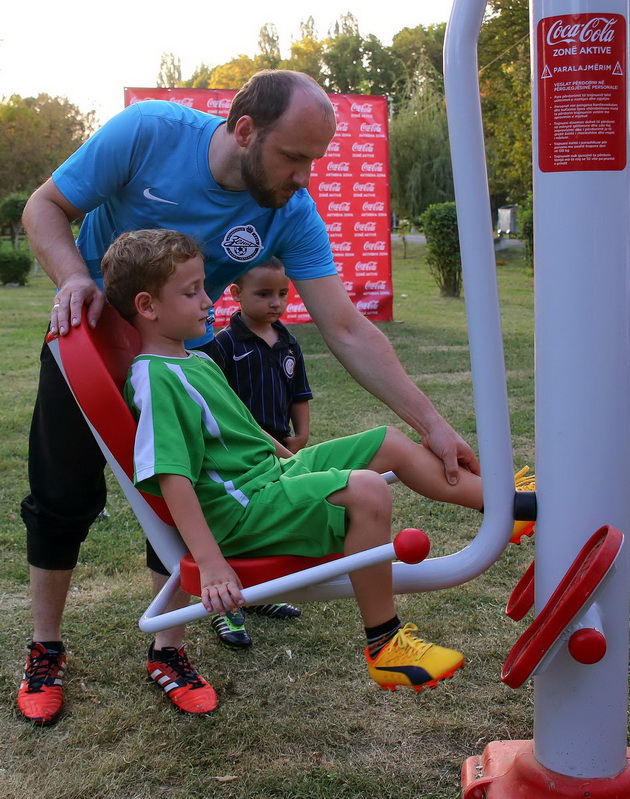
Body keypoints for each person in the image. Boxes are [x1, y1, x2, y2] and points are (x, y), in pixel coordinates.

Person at [18, 69, 480, 726]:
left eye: (314, 161)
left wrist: (430, 421)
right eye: (294, 156)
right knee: (63, 496)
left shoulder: (291, 211)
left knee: (185, 493)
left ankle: (167, 648)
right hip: (86, 338)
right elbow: (45, 205)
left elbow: (346, 328)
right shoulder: (147, 132)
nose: (305, 178)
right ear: (243, 130)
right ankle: (46, 646)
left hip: (181, 349)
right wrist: (72, 278)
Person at [101, 229, 488, 704]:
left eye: (205, 286)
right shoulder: (156, 381)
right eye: (191, 291)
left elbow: (243, 429)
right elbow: (172, 477)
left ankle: (503, 505)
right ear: (147, 306)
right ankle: (385, 645)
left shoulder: (192, 360)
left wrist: (294, 463)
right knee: (366, 490)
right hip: (241, 513)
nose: (208, 299)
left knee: (386, 441)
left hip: (270, 479)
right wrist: (212, 564)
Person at [204, 258, 311, 648]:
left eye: (282, 294)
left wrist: (301, 435)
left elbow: (299, 392)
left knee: (268, 523)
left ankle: (258, 594)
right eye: (264, 294)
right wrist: (273, 444)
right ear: (235, 294)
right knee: (236, 523)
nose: (275, 303)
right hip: (239, 452)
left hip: (280, 446)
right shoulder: (224, 344)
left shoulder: (288, 341)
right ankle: (224, 607)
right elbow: (225, 406)